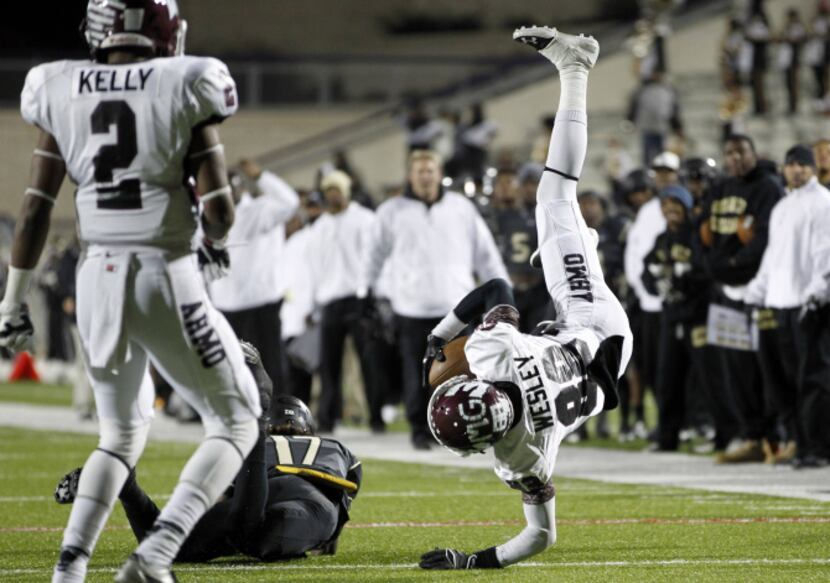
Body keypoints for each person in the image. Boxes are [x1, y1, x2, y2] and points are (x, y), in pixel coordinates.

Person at [0, 2, 262, 581]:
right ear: (165, 31)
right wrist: (213, 239)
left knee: (118, 434)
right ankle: (154, 555)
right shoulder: (185, 81)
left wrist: (12, 301)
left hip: (97, 277)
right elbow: (219, 209)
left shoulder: (58, 84)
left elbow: (35, 208)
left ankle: (69, 567)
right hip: (164, 272)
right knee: (239, 419)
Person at [418, 26, 632, 570]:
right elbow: (495, 289)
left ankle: (576, 69)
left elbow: (540, 538)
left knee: (556, 206)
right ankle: (575, 67)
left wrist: (474, 563)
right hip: (589, 322)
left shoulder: (523, 460)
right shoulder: (492, 354)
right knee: (555, 191)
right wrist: (442, 334)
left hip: (601, 355)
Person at [55, 343, 362, 561]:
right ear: (308, 427)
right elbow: (352, 480)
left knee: (170, 547)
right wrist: (332, 536)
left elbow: (222, 495)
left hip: (255, 487)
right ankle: (252, 405)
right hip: (307, 502)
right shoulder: (334, 447)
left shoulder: (256, 447)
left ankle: (127, 485)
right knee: (251, 535)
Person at [360, 149, 508, 450]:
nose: (426, 176)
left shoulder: (461, 208)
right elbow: (372, 256)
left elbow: (485, 253)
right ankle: (420, 428)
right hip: (411, 306)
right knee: (417, 374)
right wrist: (366, 292)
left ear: (439, 174)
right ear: (410, 175)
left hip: (457, 306)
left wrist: (501, 290)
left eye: (430, 170)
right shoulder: (391, 211)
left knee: (466, 369)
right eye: (420, 171)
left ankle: (466, 429)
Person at [745, 145, 830, 468]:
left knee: (814, 379)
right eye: (791, 164)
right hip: (778, 303)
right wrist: (756, 292)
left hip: (808, 304)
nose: (795, 170)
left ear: (812, 169)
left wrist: (817, 293)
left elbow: (826, 254)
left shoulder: (823, 203)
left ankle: (819, 447)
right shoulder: (783, 206)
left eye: (802, 165)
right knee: (783, 381)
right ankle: (800, 443)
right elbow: (773, 256)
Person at [703, 133, 781, 463]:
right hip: (725, 292)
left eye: (741, 151)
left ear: (753, 153)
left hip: (758, 290)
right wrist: (714, 265)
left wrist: (733, 264)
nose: (735, 158)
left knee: (766, 366)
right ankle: (751, 435)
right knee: (734, 368)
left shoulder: (768, 188)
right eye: (730, 153)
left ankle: (777, 438)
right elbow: (701, 231)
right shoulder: (719, 188)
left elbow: (765, 240)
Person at [208, 159, 299, 406]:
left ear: (240, 189)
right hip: (226, 302)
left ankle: (281, 411)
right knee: (230, 363)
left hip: (263, 300)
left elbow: (290, 201)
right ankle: (238, 412)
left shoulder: (261, 209)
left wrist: (261, 176)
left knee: (271, 360)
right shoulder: (210, 215)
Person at [306, 170, 384, 433]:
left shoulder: (365, 219)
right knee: (329, 365)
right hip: (330, 301)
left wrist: (372, 293)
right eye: (328, 190)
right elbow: (314, 268)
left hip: (358, 298)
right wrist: (313, 303)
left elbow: (375, 258)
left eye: (337, 189)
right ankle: (328, 418)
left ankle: (376, 417)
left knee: (368, 362)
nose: (333, 195)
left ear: (346, 191)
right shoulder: (319, 227)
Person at [641, 185, 710, 451]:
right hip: (671, 317)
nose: (671, 211)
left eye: (676, 206)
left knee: (704, 376)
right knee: (667, 377)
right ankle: (668, 436)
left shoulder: (697, 236)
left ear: (686, 207)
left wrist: (683, 279)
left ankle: (713, 430)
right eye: (666, 206)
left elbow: (706, 271)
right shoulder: (662, 239)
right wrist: (657, 285)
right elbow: (646, 272)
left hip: (698, 316)